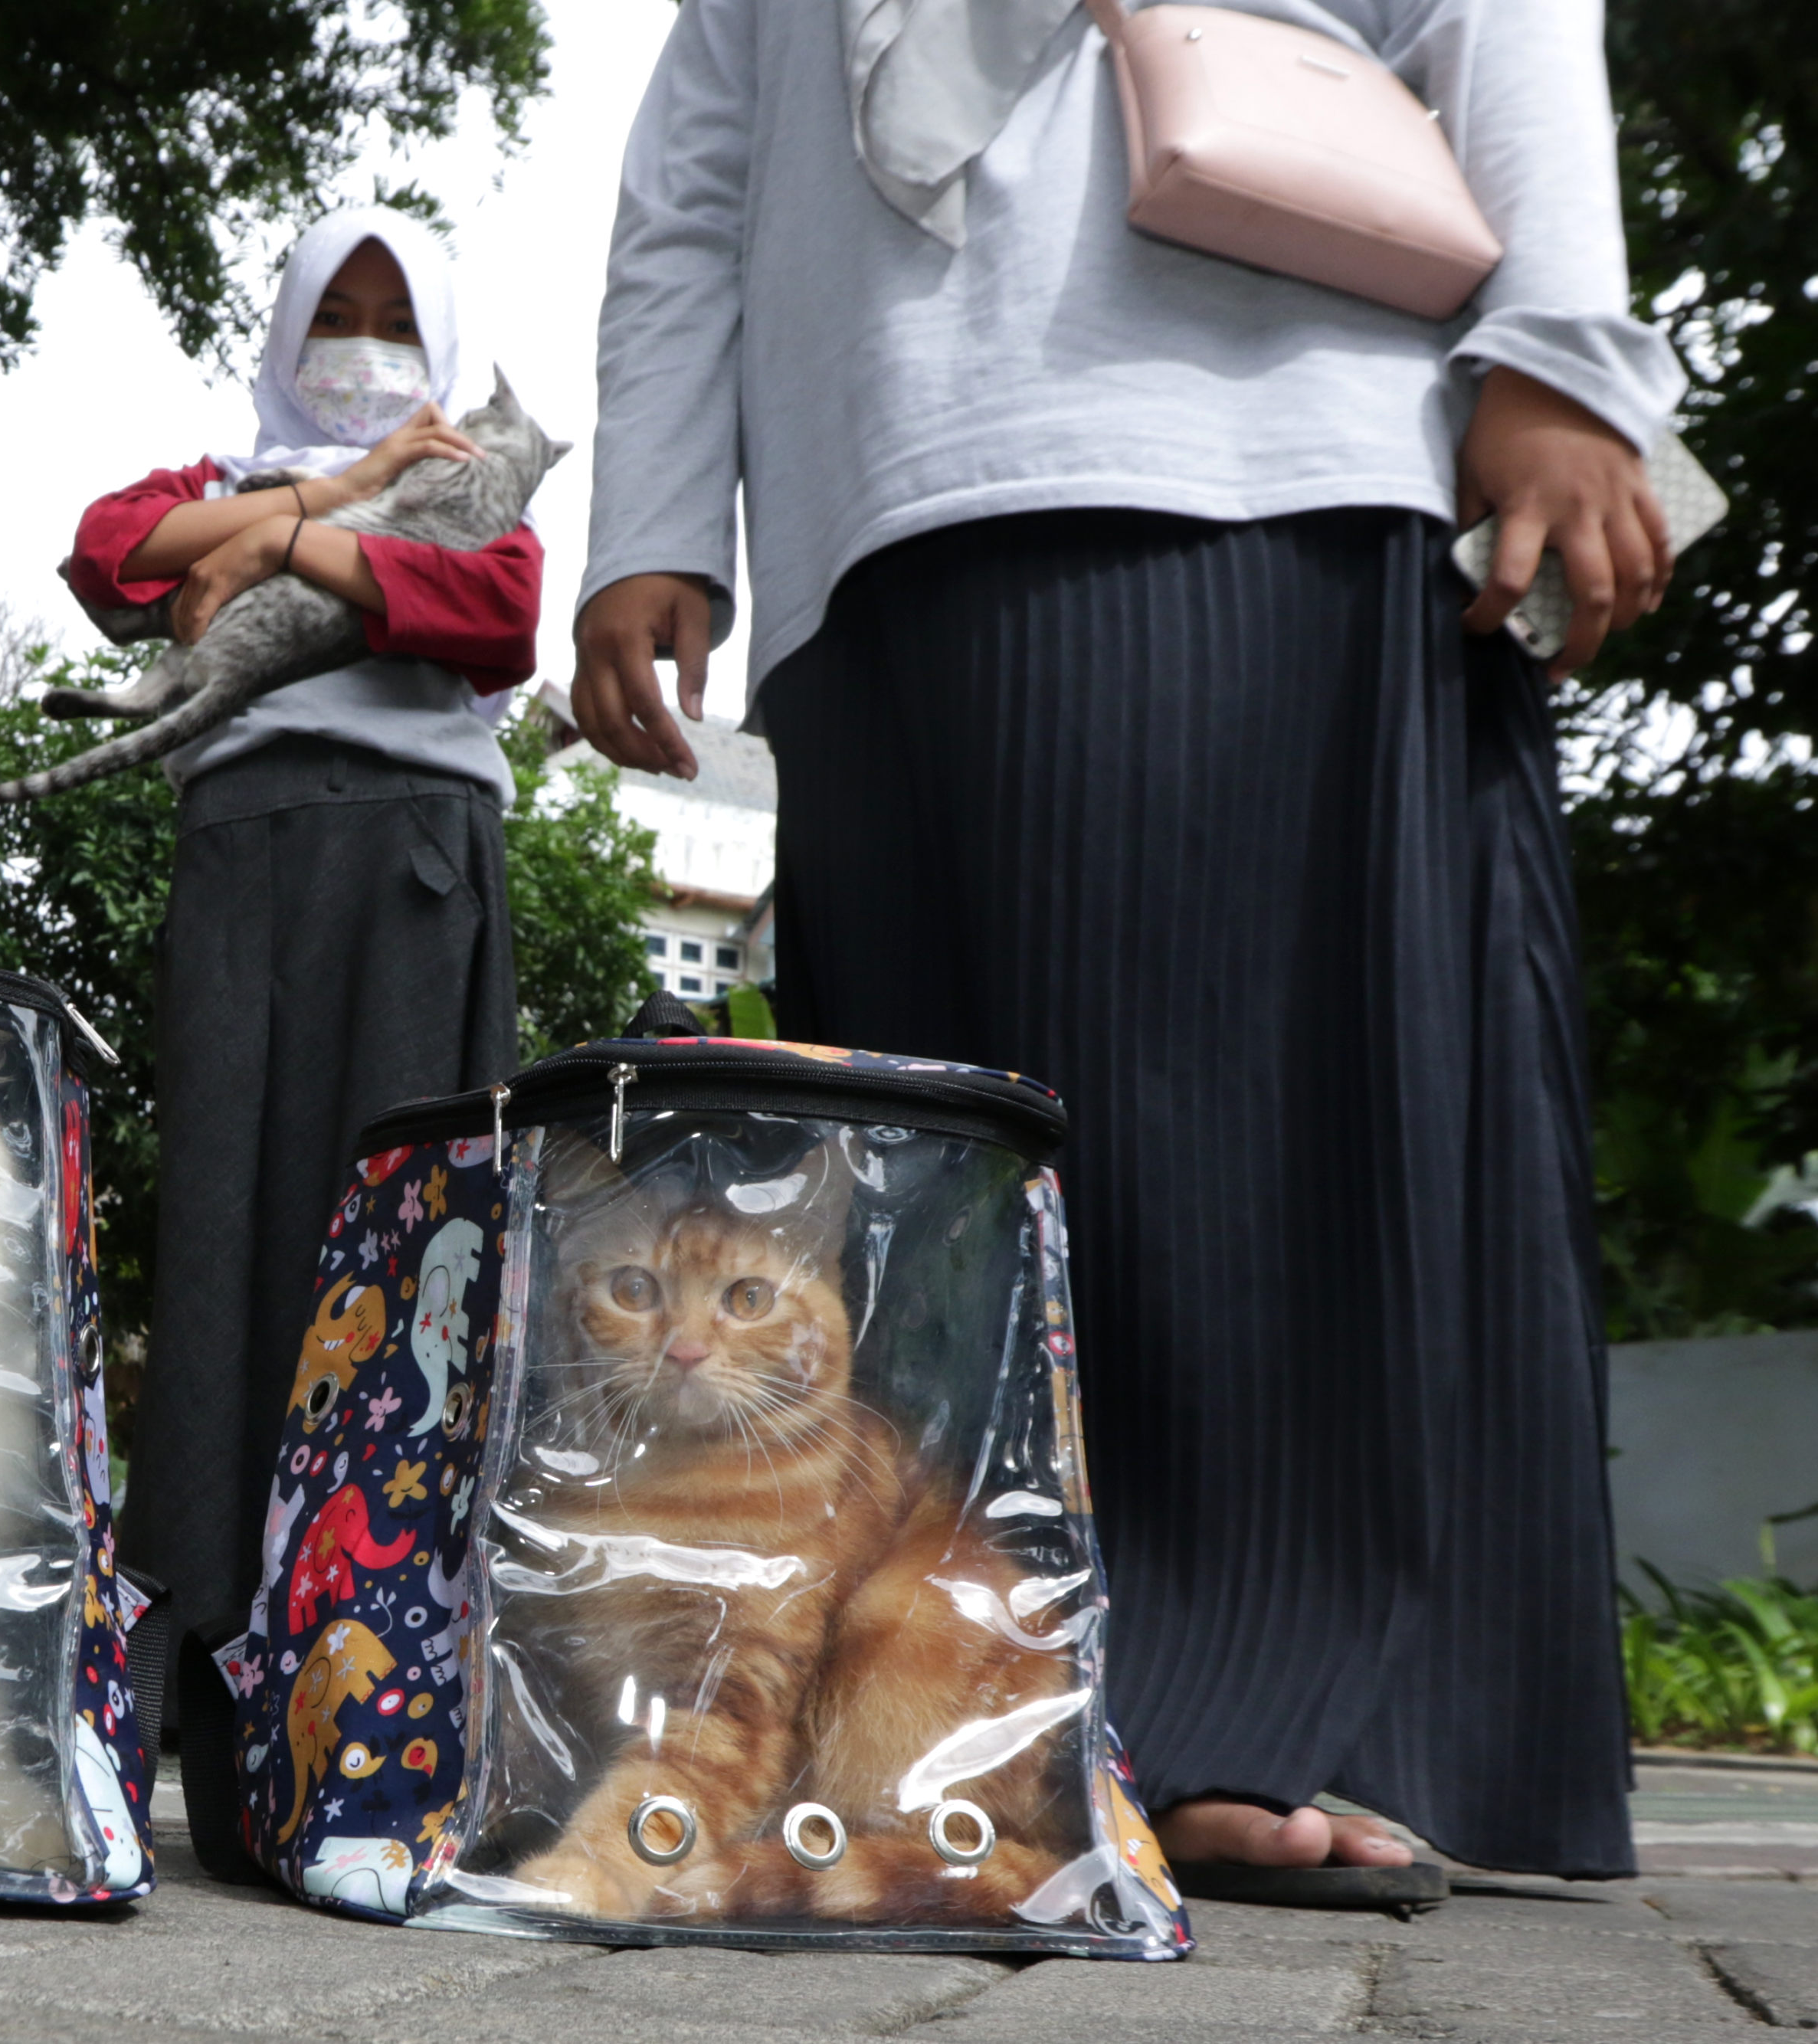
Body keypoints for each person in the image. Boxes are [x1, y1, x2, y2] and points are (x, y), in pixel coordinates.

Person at [568, 0, 1678, 1885]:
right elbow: (699, 172)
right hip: (877, 507)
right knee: (954, 1217)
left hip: (1270, 437)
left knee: (1285, 1157)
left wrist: (1560, 354)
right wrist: (655, 514)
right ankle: (994, 1735)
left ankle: (1259, 1722)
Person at [74, 208, 541, 1662]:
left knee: (407, 1236)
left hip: (416, 862)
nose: (364, 343)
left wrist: (280, 543)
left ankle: (381, 1627)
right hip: (245, 852)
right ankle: (195, 1639)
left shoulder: (468, 479)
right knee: (220, 1226)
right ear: (284, 325)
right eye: (335, 310)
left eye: (395, 317)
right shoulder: (213, 470)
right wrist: (329, 497)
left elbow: (502, 607)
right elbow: (111, 555)